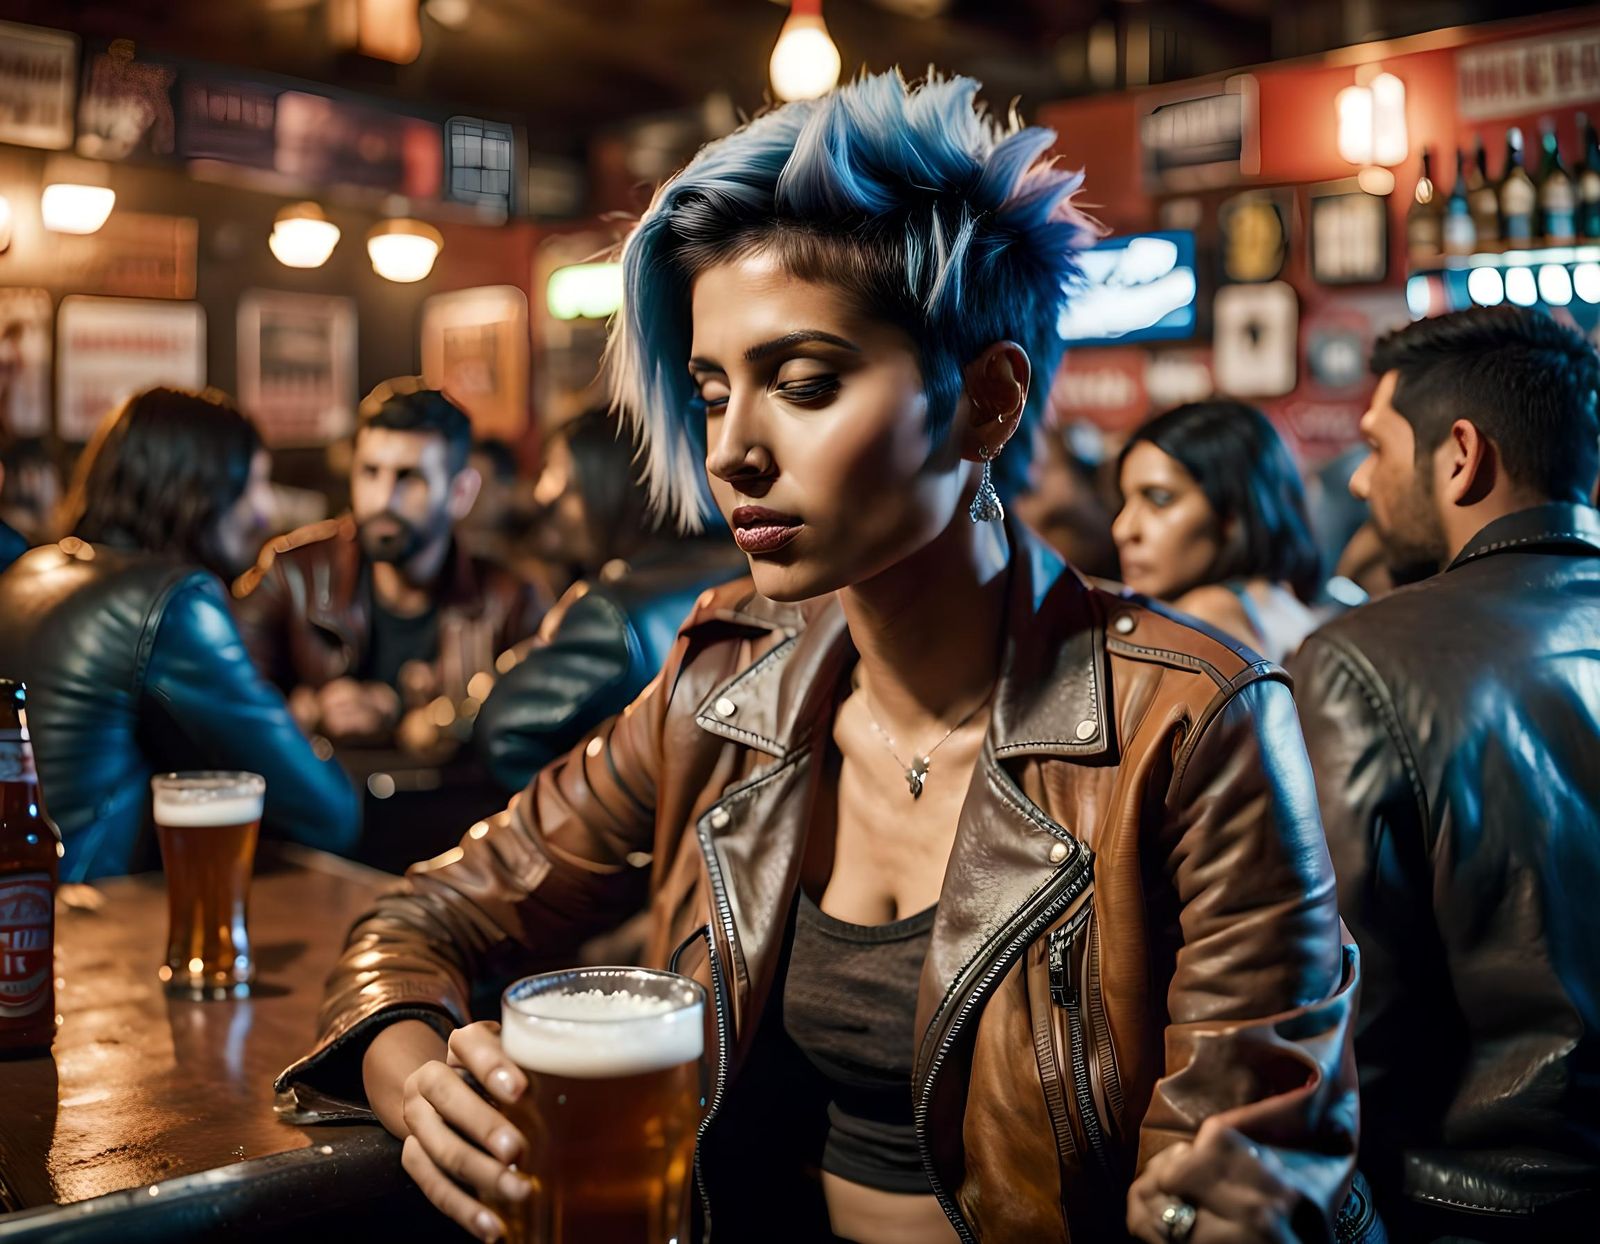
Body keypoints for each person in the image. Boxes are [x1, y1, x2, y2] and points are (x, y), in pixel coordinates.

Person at [278, 71, 1366, 1244]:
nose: (733, 451)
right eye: (709, 391)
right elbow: (423, 920)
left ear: (986, 401)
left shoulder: (1189, 724)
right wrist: (414, 1077)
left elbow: (1238, 1170)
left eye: (802, 382)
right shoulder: (723, 682)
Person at [1290, 305, 1600, 1242]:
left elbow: (1347, 1019)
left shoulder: (1363, 658)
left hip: (1470, 1206)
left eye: (1377, 445)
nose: (1357, 474)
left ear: (1459, 455)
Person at [0, 387, 359, 881]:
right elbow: (328, 812)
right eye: (254, 481)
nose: (265, 508)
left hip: (25, 922)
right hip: (95, 926)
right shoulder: (174, 602)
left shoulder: (29, 571)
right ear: (201, 487)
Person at [234, 380, 549, 746]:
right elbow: (228, 708)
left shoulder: (511, 600)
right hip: (325, 801)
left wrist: (428, 719)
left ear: (460, 493)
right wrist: (310, 713)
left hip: (456, 803)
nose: (384, 499)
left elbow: (539, 736)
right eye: (370, 472)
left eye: (409, 477)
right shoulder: (292, 573)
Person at [475, 405, 748, 793]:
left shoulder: (609, 611)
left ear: (613, 489)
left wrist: (602, 827)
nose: (543, 496)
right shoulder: (741, 569)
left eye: (562, 481)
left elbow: (501, 732)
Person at [1112, 399, 1324, 663]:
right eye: (1124, 501)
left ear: (1232, 511)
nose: (1122, 529)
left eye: (1159, 499)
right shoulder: (1281, 602)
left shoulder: (1206, 613)